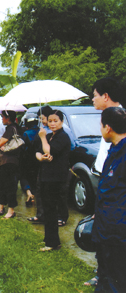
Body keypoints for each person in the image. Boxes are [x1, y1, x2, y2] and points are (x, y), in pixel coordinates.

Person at [85, 77, 124, 287]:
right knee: (101, 230)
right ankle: (102, 273)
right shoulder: (107, 119)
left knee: (113, 240)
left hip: (116, 190)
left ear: (105, 96)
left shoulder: (119, 120)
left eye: (95, 95)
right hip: (104, 181)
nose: (93, 100)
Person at [92, 107, 126, 292]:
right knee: (105, 274)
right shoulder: (113, 151)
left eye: (101, 125)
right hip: (106, 228)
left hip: (118, 232)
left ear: (108, 128)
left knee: (117, 277)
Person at [36, 110, 71, 251]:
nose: (52, 124)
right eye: (50, 121)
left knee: (51, 209)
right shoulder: (50, 135)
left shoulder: (63, 137)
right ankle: (48, 239)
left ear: (61, 122)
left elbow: (49, 151)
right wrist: (41, 157)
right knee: (46, 208)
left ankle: (52, 242)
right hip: (46, 176)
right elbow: (39, 152)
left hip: (56, 178)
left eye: (55, 121)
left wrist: (43, 138)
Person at [0, 110, 21, 219]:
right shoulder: (14, 128)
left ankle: (11, 209)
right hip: (7, 161)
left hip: (9, 161)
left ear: (8, 118)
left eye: (3, 117)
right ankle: (0, 206)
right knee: (3, 184)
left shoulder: (11, 129)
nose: (2, 119)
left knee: (9, 185)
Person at [20, 113, 40, 207]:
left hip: (27, 161)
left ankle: (28, 192)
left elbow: (22, 148)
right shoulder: (41, 132)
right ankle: (34, 196)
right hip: (38, 161)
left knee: (24, 177)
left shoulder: (26, 134)